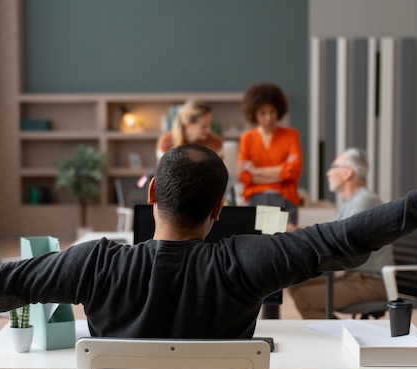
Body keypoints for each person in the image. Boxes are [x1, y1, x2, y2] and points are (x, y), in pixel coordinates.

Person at [0, 140, 417, 340]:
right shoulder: (251, 258)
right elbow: (347, 237)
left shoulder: (95, 265)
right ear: (220, 210)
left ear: (150, 197)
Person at [289, 148, 394, 319]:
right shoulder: (353, 201)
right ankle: (339, 333)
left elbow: (338, 241)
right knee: (295, 283)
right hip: (355, 278)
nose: (328, 172)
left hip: (372, 282)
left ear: (347, 173)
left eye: (333, 166)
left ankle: (337, 339)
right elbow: (327, 231)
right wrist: (297, 232)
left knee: (304, 297)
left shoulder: (366, 201)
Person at [238, 82, 302, 229]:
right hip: (256, 198)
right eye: (262, 113)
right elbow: (245, 176)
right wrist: (280, 173)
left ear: (278, 111)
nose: (268, 118)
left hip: (285, 197)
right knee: (262, 240)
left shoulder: (291, 135)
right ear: (254, 114)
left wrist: (257, 171)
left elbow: (293, 171)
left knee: (280, 240)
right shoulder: (247, 138)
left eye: (272, 111)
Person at [156, 100, 224, 161]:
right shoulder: (166, 142)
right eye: (204, 127)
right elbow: (162, 173)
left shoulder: (216, 143)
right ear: (188, 124)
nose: (209, 130)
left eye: (210, 125)